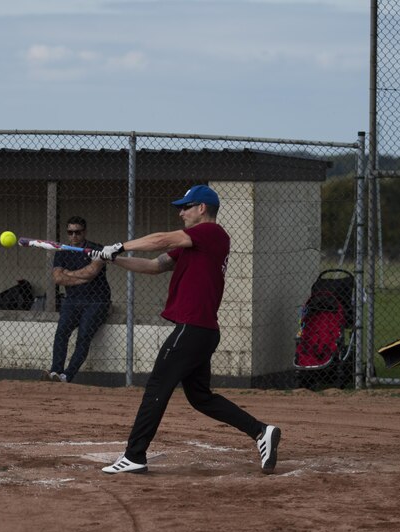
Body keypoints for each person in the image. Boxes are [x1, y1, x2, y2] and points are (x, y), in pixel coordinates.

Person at [89, 185, 281, 475]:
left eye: (186, 207)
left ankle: (135, 455)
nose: (181, 212)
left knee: (157, 386)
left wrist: (122, 245)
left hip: (193, 328)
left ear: (202, 208)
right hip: (200, 330)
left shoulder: (210, 233)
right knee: (201, 397)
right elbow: (155, 265)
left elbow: (160, 240)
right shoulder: (194, 244)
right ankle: (261, 431)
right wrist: (112, 258)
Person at [45, 216, 111, 383]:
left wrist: (68, 274)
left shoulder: (96, 249)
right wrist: (81, 277)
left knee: (84, 336)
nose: (74, 236)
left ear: (84, 232)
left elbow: (91, 273)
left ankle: (67, 376)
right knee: (61, 333)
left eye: (78, 232)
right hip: (73, 299)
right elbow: (57, 279)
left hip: (97, 300)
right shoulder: (63, 251)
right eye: (70, 232)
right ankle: (55, 372)